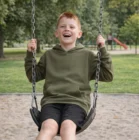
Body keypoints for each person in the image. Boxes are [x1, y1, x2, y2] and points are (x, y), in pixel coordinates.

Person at [24, 12, 113, 140]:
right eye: (63, 26)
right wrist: (30, 54)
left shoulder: (87, 56)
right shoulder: (49, 55)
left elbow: (107, 75)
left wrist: (102, 49)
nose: (67, 29)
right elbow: (33, 77)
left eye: (72, 27)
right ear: (56, 33)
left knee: (67, 127)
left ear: (79, 34)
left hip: (77, 102)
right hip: (51, 101)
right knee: (48, 128)